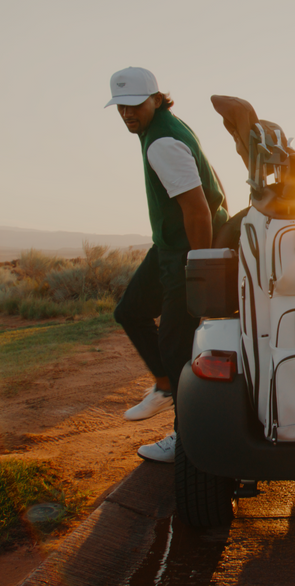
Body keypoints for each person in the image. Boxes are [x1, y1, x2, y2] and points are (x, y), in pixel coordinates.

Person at [106, 66, 228, 462]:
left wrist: (201, 268)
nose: (127, 114)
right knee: (131, 311)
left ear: (156, 98)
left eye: (135, 105)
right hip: (169, 248)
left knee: (177, 346)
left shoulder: (161, 142)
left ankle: (187, 438)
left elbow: (197, 211)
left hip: (185, 253)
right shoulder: (166, 127)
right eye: (121, 107)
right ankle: (162, 386)